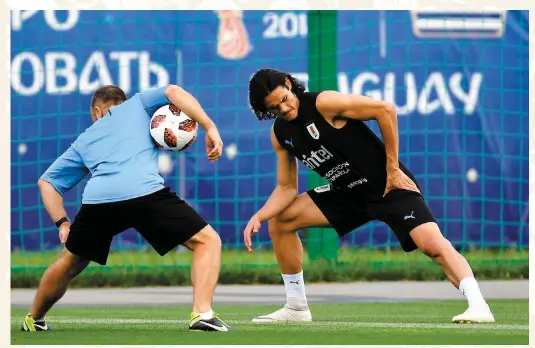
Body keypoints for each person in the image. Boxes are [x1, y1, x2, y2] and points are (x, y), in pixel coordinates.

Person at [243, 68, 495, 324]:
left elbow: (385, 110)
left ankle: (478, 305)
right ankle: (296, 307)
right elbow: (286, 188)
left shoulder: (324, 103)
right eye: (274, 108)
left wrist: (393, 169)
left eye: (284, 100)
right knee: (281, 220)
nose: (284, 109)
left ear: (288, 84)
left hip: (387, 185)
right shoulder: (280, 134)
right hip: (348, 192)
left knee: (432, 246)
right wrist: (261, 216)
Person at [21, 84, 234, 332]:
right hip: (144, 192)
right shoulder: (140, 104)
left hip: (98, 203)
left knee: (70, 262)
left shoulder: (84, 140)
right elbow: (173, 91)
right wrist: (210, 127)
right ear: (122, 102)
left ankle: (33, 319)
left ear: (97, 111)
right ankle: (202, 314)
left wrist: (63, 223)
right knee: (207, 241)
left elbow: (46, 183)